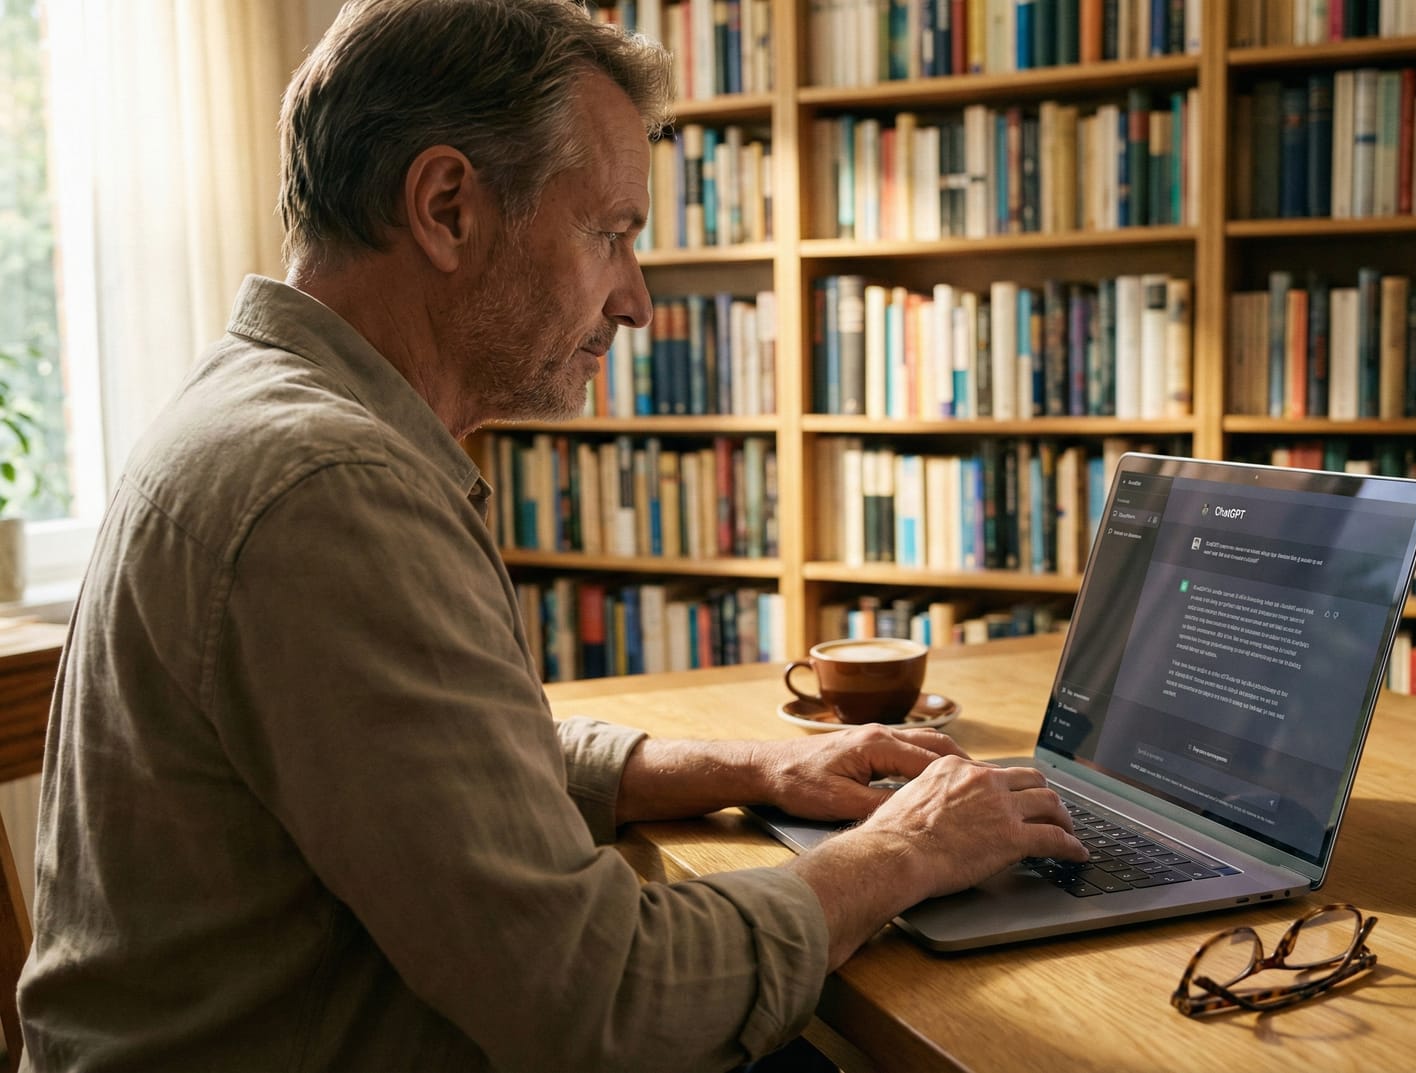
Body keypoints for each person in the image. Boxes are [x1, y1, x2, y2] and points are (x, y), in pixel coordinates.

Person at [16, 1, 1085, 1069]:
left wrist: (759, 765)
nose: (637, 302)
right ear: (446, 208)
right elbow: (604, 1001)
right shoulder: (330, 487)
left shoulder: (265, 408)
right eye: (611, 233)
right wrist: (901, 849)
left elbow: (453, 763)